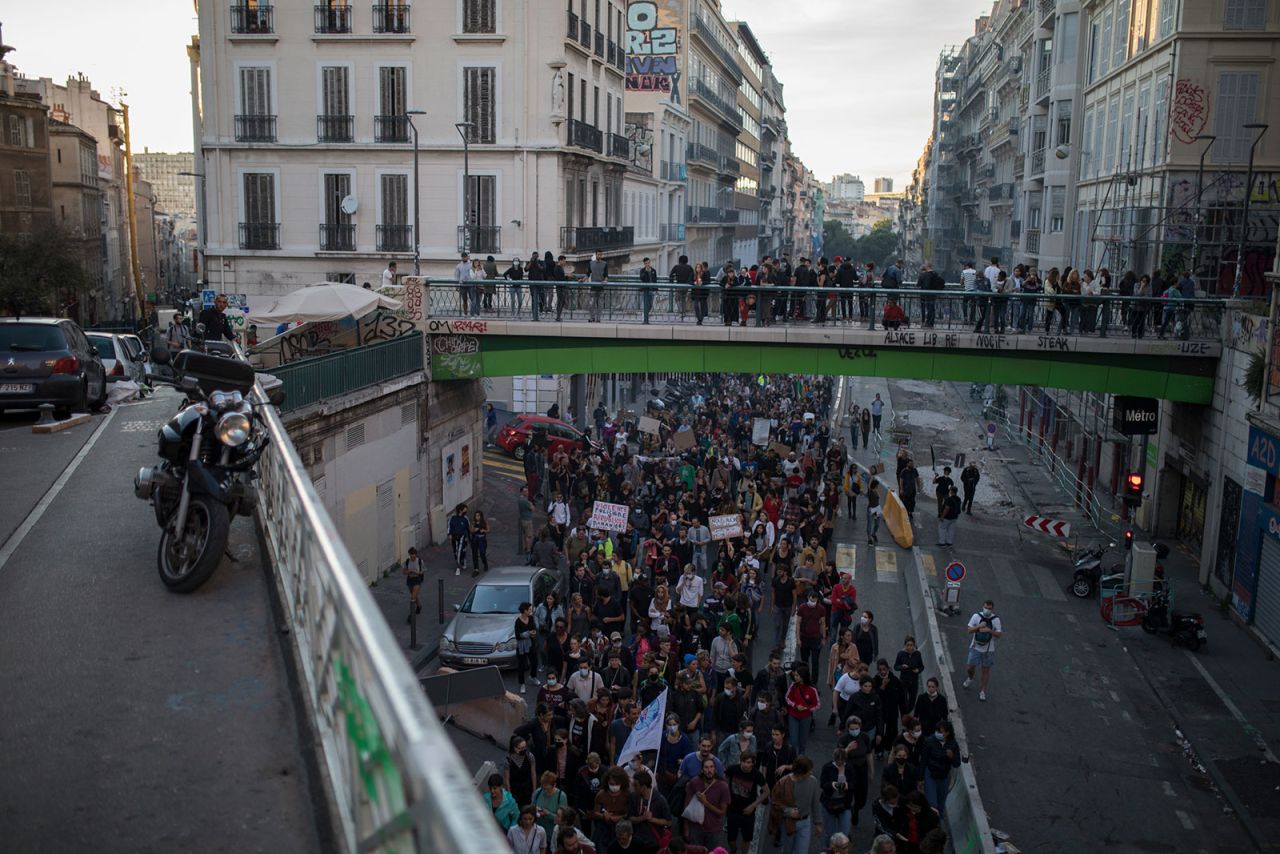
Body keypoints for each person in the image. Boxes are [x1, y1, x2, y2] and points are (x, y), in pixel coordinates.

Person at [770, 754, 823, 854]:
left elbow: (815, 803)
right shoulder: (783, 782)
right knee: (787, 851)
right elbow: (774, 803)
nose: (811, 772)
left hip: (805, 822)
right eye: (808, 771)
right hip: (788, 823)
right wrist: (787, 811)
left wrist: (818, 823)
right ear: (801, 772)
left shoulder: (813, 781)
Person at [683, 756, 730, 849]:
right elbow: (686, 805)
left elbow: (722, 812)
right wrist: (686, 828)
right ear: (701, 769)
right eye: (706, 767)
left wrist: (705, 803)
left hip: (714, 830)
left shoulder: (723, 787)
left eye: (712, 767)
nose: (709, 770)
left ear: (715, 769)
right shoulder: (694, 782)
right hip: (696, 828)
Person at [962, 599, 1003, 701]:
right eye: (985, 608)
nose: (987, 610)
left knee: (985, 670)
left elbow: (999, 634)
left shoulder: (996, 620)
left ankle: (983, 691)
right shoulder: (976, 616)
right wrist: (979, 626)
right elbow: (969, 630)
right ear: (982, 607)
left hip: (988, 649)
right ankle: (970, 678)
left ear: (992, 609)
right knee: (970, 667)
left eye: (989, 608)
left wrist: (990, 631)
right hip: (975, 647)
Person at [918, 721, 960, 816]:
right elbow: (923, 760)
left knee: (941, 804)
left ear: (947, 733)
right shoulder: (930, 741)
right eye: (937, 731)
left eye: (941, 732)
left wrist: (952, 757)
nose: (938, 734)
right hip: (931, 775)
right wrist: (920, 778)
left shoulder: (953, 744)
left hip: (944, 777)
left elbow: (957, 763)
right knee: (932, 803)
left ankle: (937, 823)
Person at [819, 748, 855, 840]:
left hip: (844, 804)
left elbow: (854, 784)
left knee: (844, 835)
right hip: (829, 804)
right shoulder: (827, 767)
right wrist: (832, 784)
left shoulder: (849, 768)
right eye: (837, 760)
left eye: (842, 760)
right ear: (834, 758)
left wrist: (848, 785)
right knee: (830, 835)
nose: (840, 762)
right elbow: (823, 784)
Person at [784, 667, 820, 755]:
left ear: (803, 677)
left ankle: (801, 760)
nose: (795, 677)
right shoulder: (793, 686)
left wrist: (806, 708)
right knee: (793, 741)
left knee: (803, 742)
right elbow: (787, 698)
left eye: (797, 675)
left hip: (806, 717)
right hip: (793, 716)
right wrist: (795, 705)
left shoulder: (812, 690)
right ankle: (793, 758)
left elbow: (817, 705)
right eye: (795, 675)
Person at [893, 636, 924, 711]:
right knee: (903, 699)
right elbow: (895, 667)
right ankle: (905, 714)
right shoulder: (901, 654)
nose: (909, 647)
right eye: (908, 645)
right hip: (903, 681)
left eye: (911, 645)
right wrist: (902, 666)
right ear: (905, 645)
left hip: (914, 681)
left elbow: (921, 666)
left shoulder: (917, 654)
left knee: (912, 701)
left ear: (914, 645)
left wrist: (918, 670)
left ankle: (908, 712)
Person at [516, 602, 540, 694]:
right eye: (529, 609)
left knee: (535, 662)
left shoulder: (531, 618)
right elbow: (518, 635)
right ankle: (522, 684)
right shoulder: (518, 621)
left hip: (530, 644)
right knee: (521, 665)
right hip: (521, 646)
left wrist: (532, 633)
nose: (531, 611)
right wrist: (528, 633)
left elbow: (533, 628)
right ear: (525, 610)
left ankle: (533, 676)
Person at [448, 503, 471, 575]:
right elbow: (449, 526)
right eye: (465, 509)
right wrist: (450, 534)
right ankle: (461, 560)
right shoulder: (453, 518)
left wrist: (468, 537)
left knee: (460, 551)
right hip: (454, 537)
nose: (466, 510)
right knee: (455, 551)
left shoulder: (465, 519)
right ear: (460, 510)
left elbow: (468, 528)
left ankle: (458, 568)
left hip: (462, 537)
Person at [587, 252, 609, 323]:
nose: (600, 256)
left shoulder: (604, 264)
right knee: (591, 304)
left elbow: (606, 275)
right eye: (598, 254)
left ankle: (598, 319)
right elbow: (588, 274)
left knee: (600, 305)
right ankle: (592, 318)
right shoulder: (591, 263)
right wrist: (582, 279)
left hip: (601, 287)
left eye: (601, 255)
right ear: (596, 255)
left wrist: (605, 281)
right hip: (593, 287)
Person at [403, 546, 424, 618]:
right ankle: (419, 605)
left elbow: (422, 572)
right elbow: (404, 572)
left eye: (413, 555)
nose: (412, 557)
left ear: (415, 554)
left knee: (412, 598)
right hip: (410, 580)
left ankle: (411, 615)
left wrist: (416, 572)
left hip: (417, 579)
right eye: (410, 555)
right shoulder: (407, 561)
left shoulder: (420, 561)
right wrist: (409, 571)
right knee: (414, 595)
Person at [472, 510, 491, 576]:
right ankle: (476, 568)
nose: (477, 517)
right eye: (476, 516)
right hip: (475, 538)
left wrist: (484, 530)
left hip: (482, 538)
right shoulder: (474, 523)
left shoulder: (484, 522)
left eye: (478, 516)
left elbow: (488, 530)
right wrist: (474, 530)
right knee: (474, 553)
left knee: (482, 553)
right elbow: (471, 530)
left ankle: (485, 563)